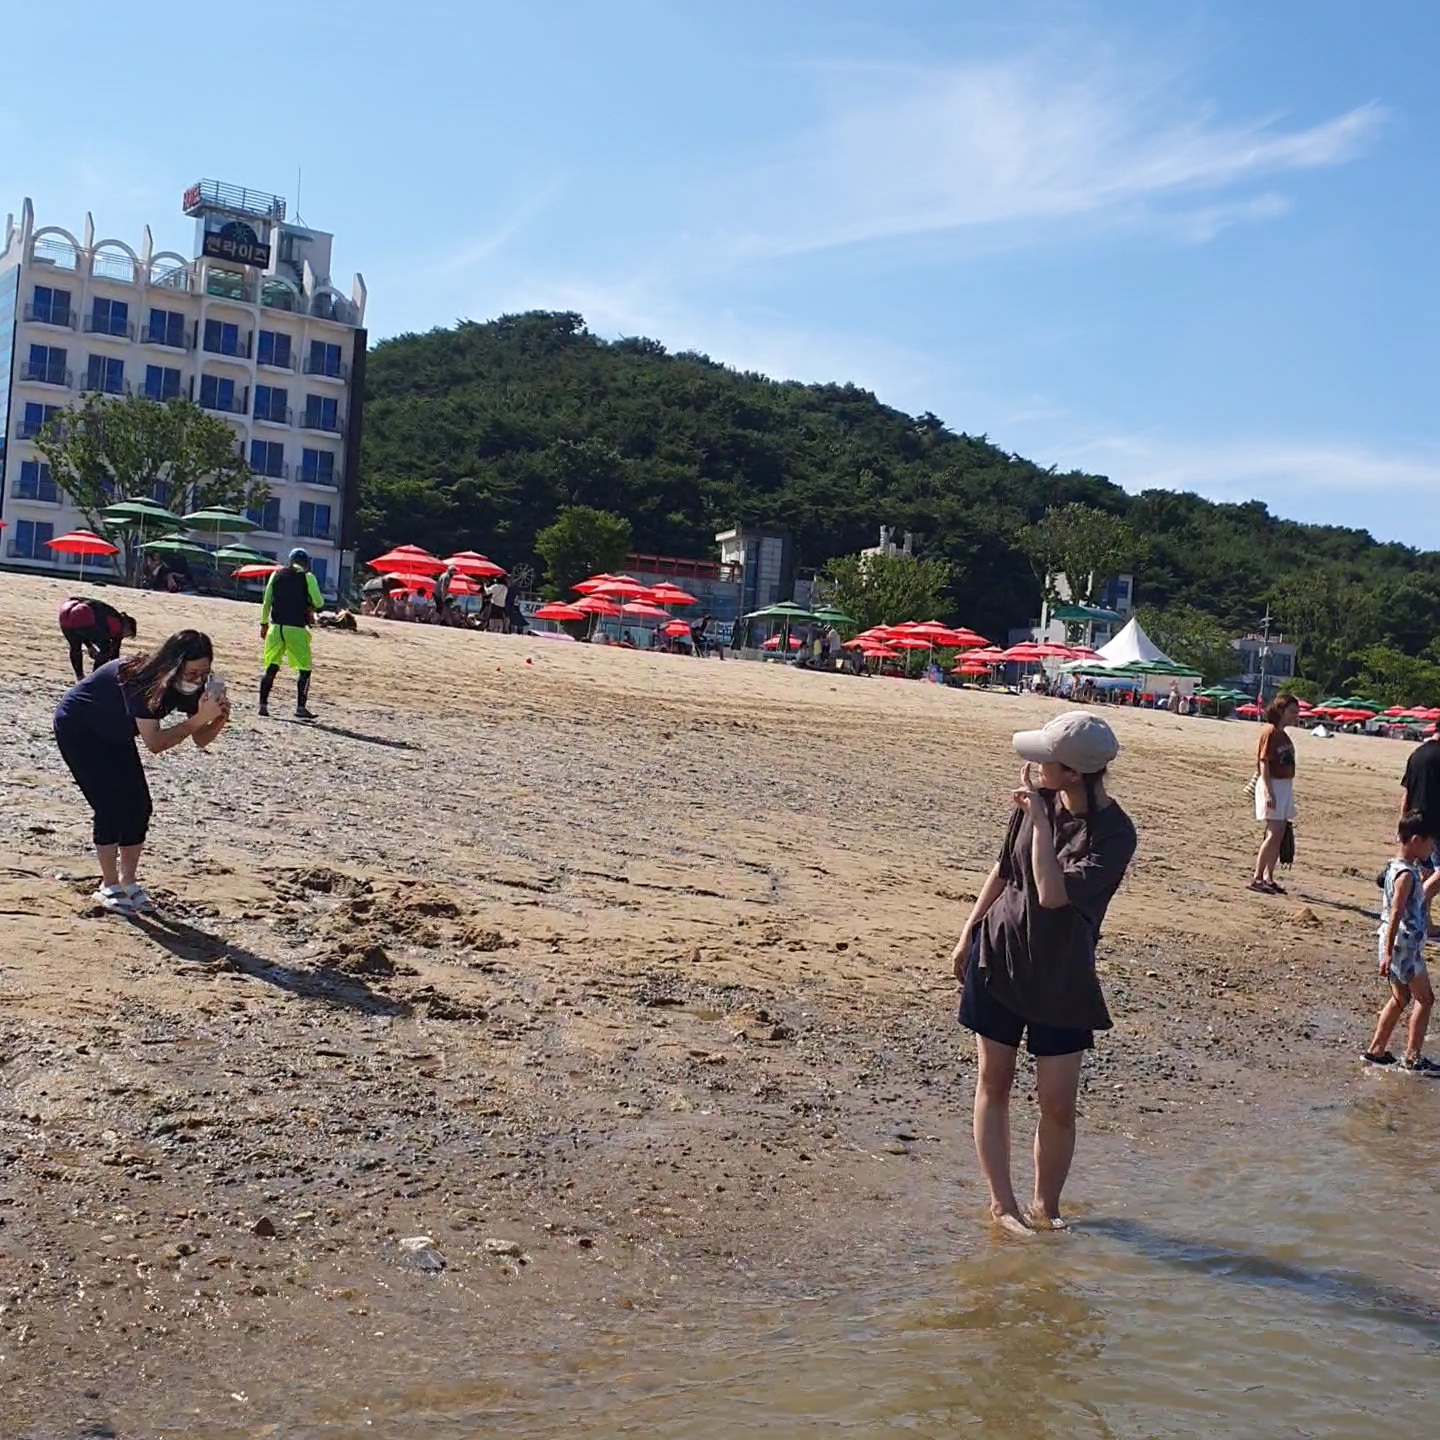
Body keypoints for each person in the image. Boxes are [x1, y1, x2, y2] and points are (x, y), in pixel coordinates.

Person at [950, 713, 1136, 1232]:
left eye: (1044, 759)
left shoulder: (1115, 834)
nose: (1033, 766)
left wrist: (1039, 821)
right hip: (1000, 953)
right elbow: (1003, 870)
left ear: (1074, 772)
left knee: (1057, 1104)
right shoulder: (1038, 800)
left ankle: (1046, 1208)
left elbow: (1052, 894)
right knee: (995, 1081)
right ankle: (1003, 1205)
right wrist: (968, 931)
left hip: (1062, 975)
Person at [52, 630, 228, 914]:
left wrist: (217, 719)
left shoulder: (194, 685)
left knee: (139, 805)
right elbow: (155, 743)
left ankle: (128, 881)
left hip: (117, 732)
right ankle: (109, 884)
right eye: (193, 673)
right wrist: (198, 719)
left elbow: (200, 739)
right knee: (109, 806)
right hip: (79, 728)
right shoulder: (140, 679)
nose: (198, 680)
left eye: (204, 673)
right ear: (174, 666)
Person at [1364, 813, 1439, 1074]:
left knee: (1401, 998)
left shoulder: (1394, 866)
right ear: (1416, 841)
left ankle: (1376, 1050)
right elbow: (1396, 912)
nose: (1432, 849)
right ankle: (1413, 1057)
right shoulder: (1405, 875)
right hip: (1403, 947)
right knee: (1425, 999)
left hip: (1396, 943)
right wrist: (1387, 954)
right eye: (1430, 843)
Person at [259, 547, 325, 720]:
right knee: (305, 669)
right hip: (296, 628)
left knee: (271, 666)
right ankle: (300, 708)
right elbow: (319, 602)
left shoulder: (276, 574)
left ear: (290, 560)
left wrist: (264, 623)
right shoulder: (308, 577)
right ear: (306, 563)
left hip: (275, 628)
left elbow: (266, 602)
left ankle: (263, 705)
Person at [1250, 693, 1300, 894]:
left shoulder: (1283, 734)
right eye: (1292, 712)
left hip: (1284, 786)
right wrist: (1269, 792)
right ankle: (1257, 877)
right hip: (1273, 785)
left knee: (1279, 833)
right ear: (1281, 711)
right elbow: (1263, 763)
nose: (1295, 716)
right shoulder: (1270, 732)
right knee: (1273, 832)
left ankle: (1268, 877)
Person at [1399, 732, 1440, 916]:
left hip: (1415, 822)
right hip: (1435, 823)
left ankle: (1425, 922)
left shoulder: (1417, 754)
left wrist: (1403, 823)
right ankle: (1416, 905)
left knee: (1428, 873)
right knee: (1433, 876)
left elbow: (1407, 793)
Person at [59, 597, 136, 681]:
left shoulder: (110, 613)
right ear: (128, 626)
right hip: (82, 613)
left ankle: (79, 677)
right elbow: (114, 655)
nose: (124, 637)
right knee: (106, 648)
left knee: (75, 646)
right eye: (128, 634)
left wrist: (89, 646)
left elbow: (82, 629)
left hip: (66, 611)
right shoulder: (118, 623)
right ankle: (94, 678)